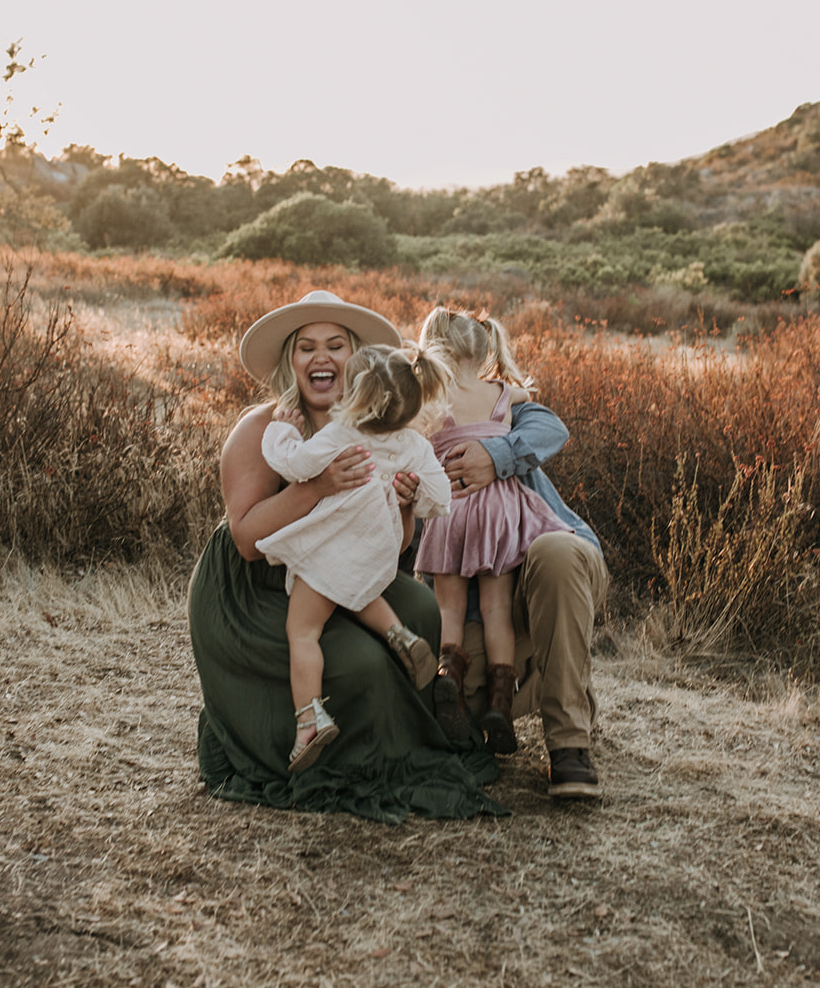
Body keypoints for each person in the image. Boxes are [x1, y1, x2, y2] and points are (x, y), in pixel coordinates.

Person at [187, 290, 506, 822]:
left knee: (422, 613)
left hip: (336, 566)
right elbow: (246, 538)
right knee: (357, 665)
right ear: (290, 361)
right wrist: (318, 486)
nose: (321, 358)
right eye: (306, 347)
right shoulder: (265, 429)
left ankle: (404, 743)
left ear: (356, 361)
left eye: (335, 345)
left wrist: (404, 506)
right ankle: (317, 743)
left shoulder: (376, 427)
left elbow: (395, 545)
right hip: (255, 583)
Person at [420, 307, 611, 800]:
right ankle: (514, 693)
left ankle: (569, 745)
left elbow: (552, 429)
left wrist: (497, 457)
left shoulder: (508, 412)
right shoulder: (492, 399)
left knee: (554, 553)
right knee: (460, 690)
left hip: (549, 568)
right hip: (492, 601)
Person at [258, 343, 452, 772]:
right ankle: (401, 635)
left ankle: (309, 719)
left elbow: (292, 464)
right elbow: (441, 500)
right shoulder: (415, 445)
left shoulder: (341, 435)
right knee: (356, 586)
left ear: (355, 396)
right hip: (378, 547)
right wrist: (412, 491)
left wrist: (281, 429)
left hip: (332, 549)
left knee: (303, 631)